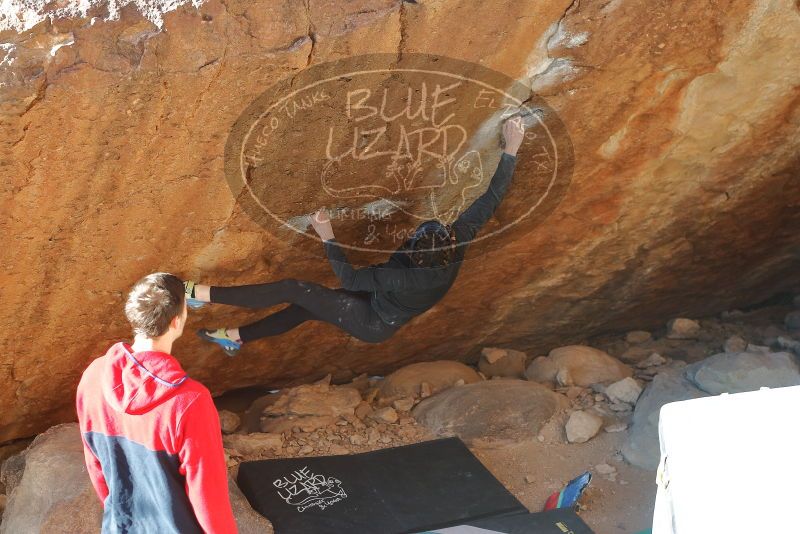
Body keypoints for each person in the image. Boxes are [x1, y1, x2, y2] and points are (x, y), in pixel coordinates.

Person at [190, 116, 525, 356]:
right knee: (304, 307)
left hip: (372, 321)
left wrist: (327, 236)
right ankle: (234, 337)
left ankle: (199, 295)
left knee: (297, 289)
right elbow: (490, 199)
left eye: (414, 238)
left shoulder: (402, 279)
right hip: (381, 304)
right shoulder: (457, 240)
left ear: (415, 257)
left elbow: (350, 278)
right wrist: (510, 150)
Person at [76, 272, 237, 533]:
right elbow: (208, 496)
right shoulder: (190, 401)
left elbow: (96, 465)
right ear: (177, 321)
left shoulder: (94, 375)